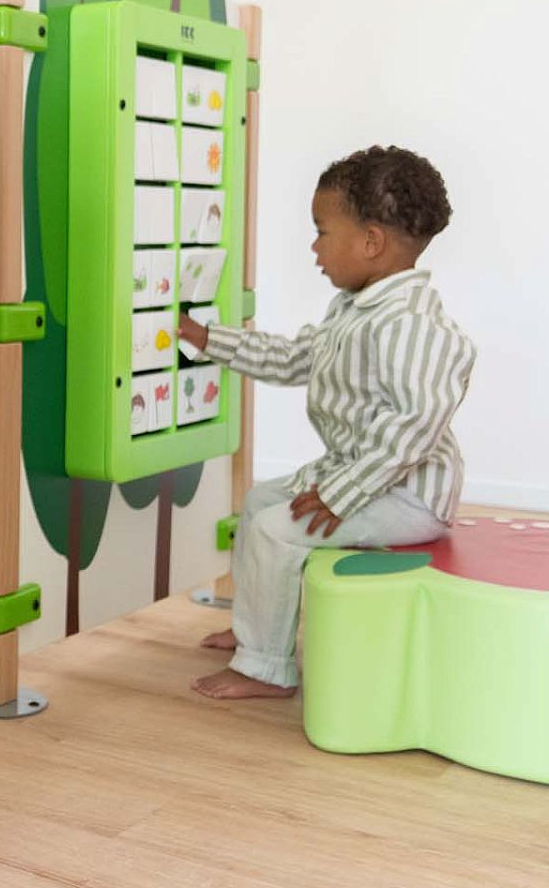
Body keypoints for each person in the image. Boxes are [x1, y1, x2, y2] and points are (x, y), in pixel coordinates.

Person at [180, 146, 475, 700]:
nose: (315, 249)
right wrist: (207, 339)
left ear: (371, 242)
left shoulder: (411, 323)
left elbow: (415, 427)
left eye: (321, 232)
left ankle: (264, 667)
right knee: (260, 504)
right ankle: (255, 628)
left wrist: (339, 492)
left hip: (407, 494)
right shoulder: (353, 307)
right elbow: (293, 358)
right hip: (358, 476)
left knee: (275, 532)